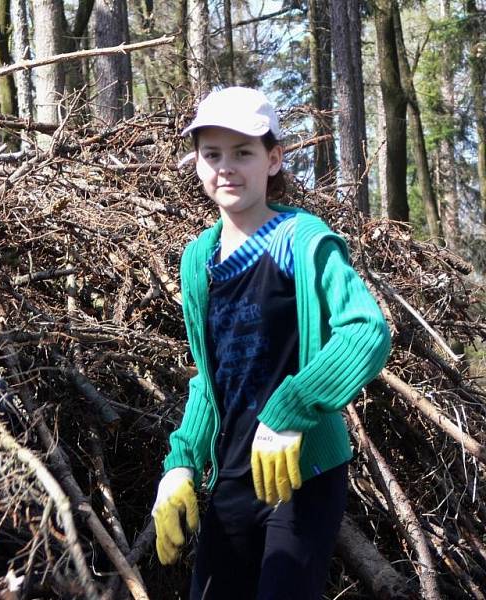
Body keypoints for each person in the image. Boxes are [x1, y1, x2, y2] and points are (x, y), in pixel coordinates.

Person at [151, 87, 391, 600]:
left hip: (301, 474)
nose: (227, 168)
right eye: (212, 155)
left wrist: (292, 406)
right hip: (232, 475)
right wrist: (181, 462)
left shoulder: (301, 238)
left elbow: (366, 329)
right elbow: (208, 377)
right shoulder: (199, 260)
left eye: (244, 152)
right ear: (197, 164)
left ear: (273, 158)